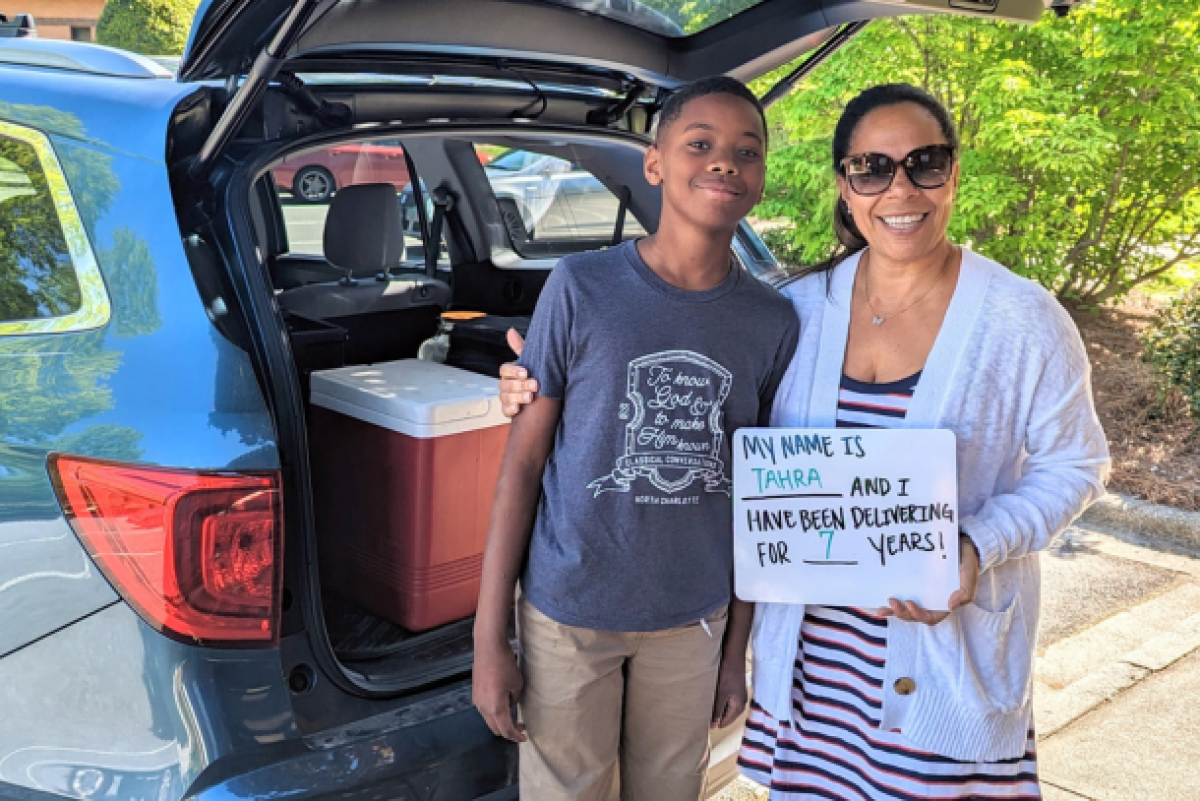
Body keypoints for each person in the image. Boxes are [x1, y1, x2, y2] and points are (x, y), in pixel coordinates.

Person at [496, 83, 1111, 800]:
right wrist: (528, 383)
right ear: (846, 185)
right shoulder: (800, 308)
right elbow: (719, 435)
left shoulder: (1023, 317)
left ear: (954, 172)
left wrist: (977, 545)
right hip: (814, 687)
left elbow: (1079, 464)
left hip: (942, 676)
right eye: (873, 169)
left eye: (926, 163)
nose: (900, 187)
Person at [471, 76, 800, 801]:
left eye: (747, 151)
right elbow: (522, 467)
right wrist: (488, 637)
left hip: (693, 615)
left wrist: (734, 649)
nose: (724, 162)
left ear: (761, 178)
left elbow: (759, 492)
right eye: (700, 144)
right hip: (568, 608)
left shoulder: (771, 321)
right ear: (654, 164)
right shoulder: (581, 287)